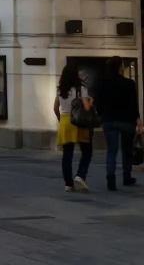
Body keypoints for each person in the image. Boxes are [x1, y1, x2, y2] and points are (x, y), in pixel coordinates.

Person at [95, 56, 144, 190]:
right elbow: (134, 104)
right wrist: (137, 119)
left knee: (111, 151)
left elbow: (98, 103)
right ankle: (126, 177)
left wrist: (101, 115)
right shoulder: (129, 84)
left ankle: (111, 180)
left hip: (109, 120)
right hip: (126, 121)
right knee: (126, 150)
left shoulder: (102, 83)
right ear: (120, 67)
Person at [54, 62, 94, 192]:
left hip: (65, 121)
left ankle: (68, 184)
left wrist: (61, 119)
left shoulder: (60, 89)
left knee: (67, 153)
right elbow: (86, 107)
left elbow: (55, 108)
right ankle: (80, 175)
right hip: (79, 122)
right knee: (87, 151)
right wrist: (91, 100)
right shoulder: (80, 88)